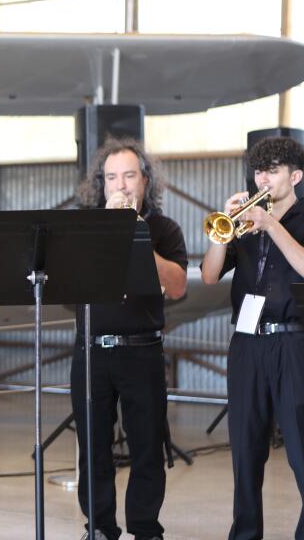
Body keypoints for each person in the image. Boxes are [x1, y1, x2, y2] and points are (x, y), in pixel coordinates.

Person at [73, 138, 187, 540]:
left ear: (144, 180)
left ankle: (145, 528)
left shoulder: (163, 228)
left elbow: (176, 287)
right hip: (91, 352)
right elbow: (70, 293)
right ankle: (100, 527)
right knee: (93, 449)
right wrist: (104, 234)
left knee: (146, 448)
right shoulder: (84, 226)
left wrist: (137, 235)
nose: (119, 185)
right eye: (110, 177)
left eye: (128, 176)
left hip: (142, 351)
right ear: (100, 185)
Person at [200, 136, 304, 540]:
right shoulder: (244, 222)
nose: (263, 177)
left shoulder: (291, 218)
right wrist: (220, 234)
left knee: (299, 450)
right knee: (245, 451)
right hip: (246, 343)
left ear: (295, 176)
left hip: (293, 342)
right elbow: (210, 275)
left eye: (273, 170)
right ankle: (244, 534)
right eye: (259, 169)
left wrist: (271, 224)